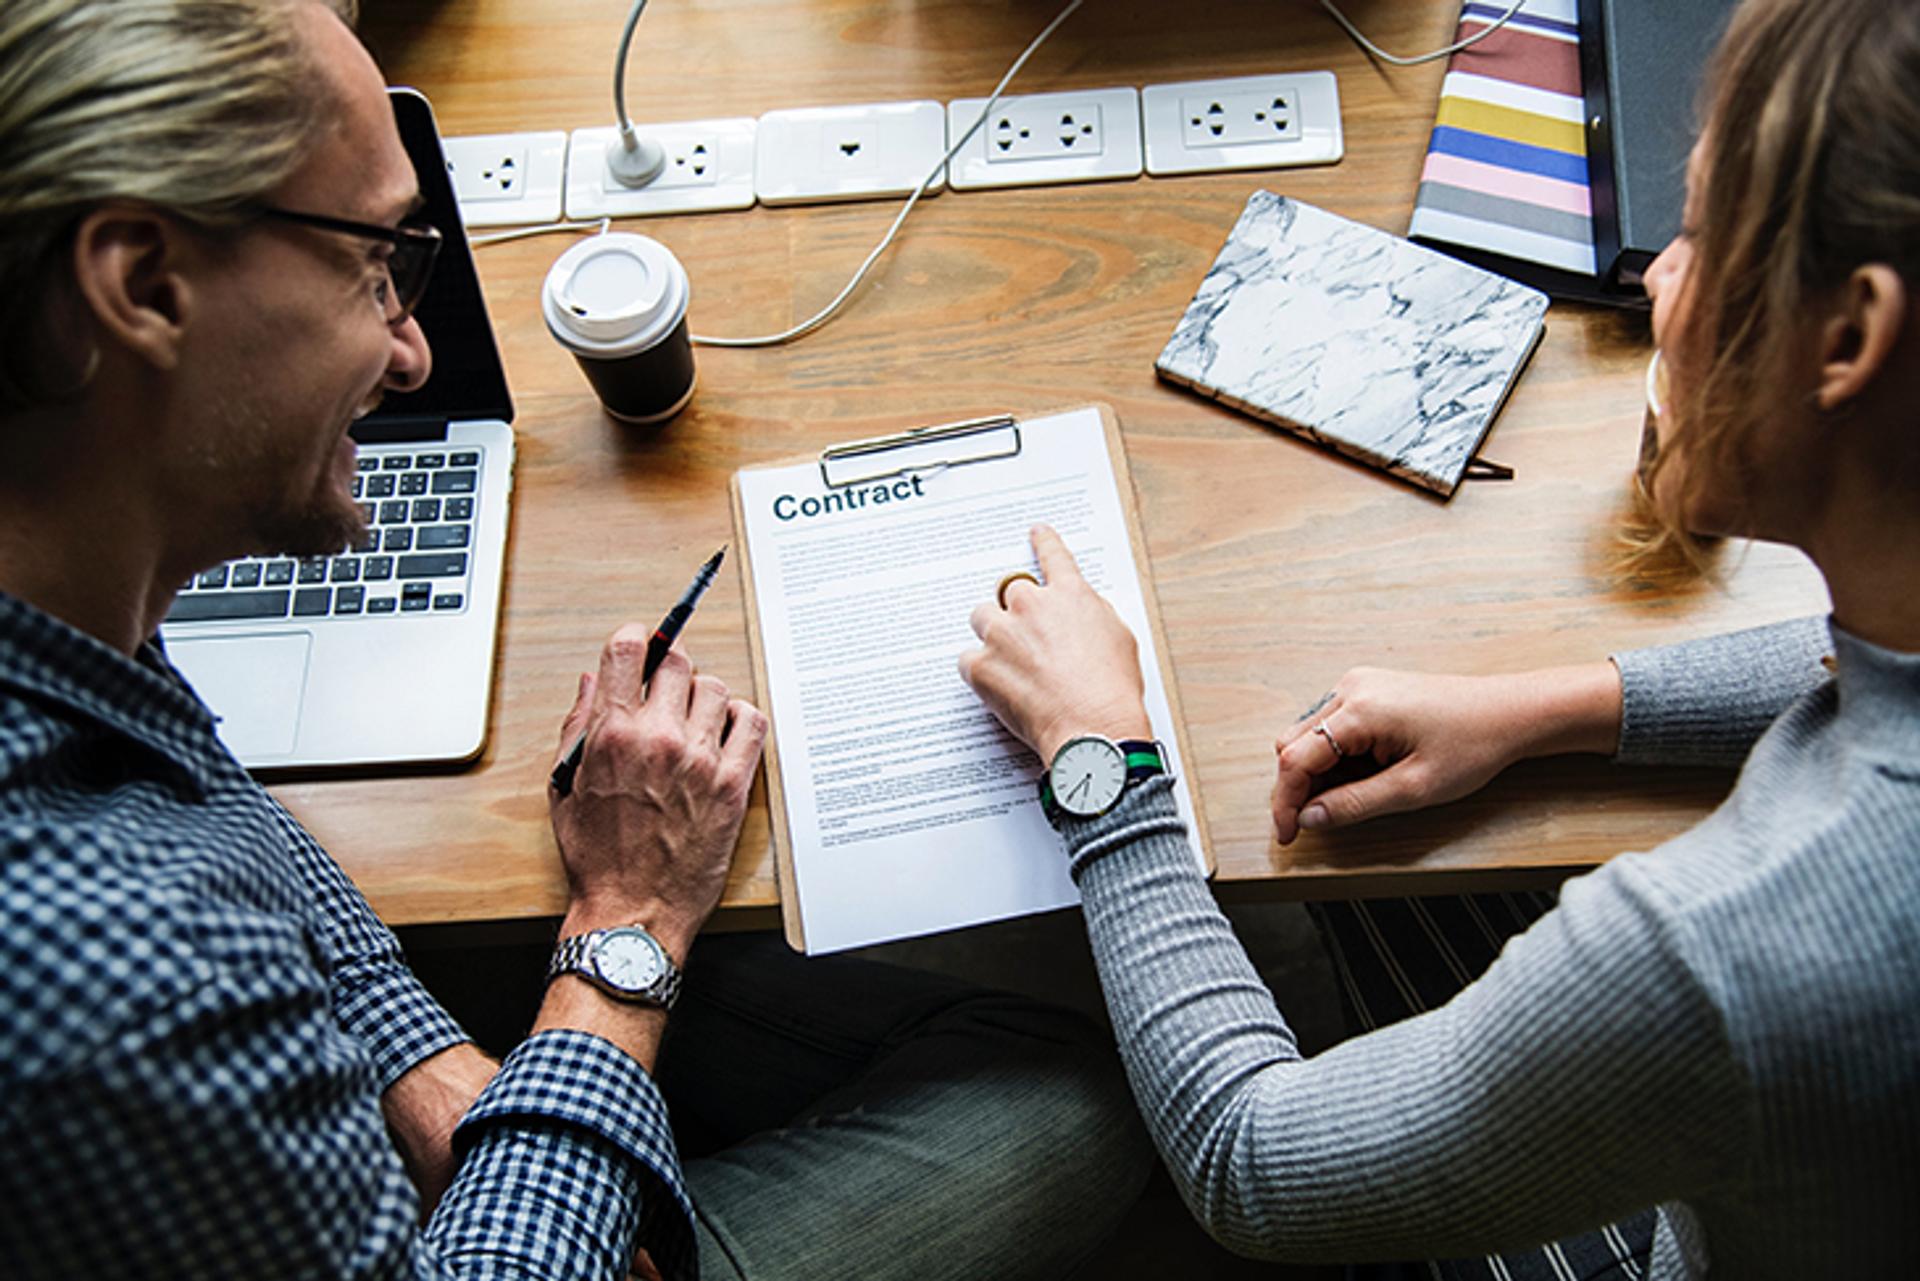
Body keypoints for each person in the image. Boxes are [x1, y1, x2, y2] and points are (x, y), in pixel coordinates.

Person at [0, 2, 1149, 1277]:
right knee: (1098, 1077)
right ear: (142, 285)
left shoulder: (59, 590)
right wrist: (627, 927)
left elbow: (197, 795)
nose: (409, 349)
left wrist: (417, 1057)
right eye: (372, 268)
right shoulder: (111, 982)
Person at [958, 0, 1920, 1276]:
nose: (1654, 277)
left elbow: (1256, 1165)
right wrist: (1548, 710)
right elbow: (1863, 668)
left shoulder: (1718, 951)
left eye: (1704, 232)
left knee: (1273, 942)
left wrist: (1106, 763)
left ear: (1851, 337)